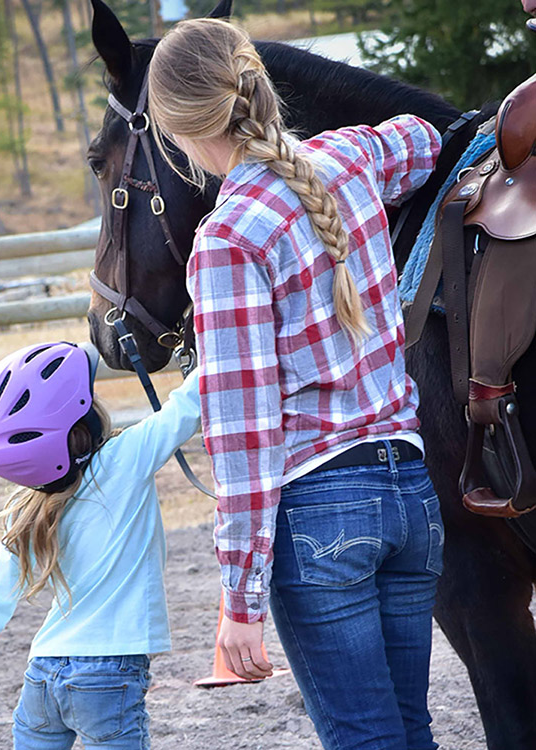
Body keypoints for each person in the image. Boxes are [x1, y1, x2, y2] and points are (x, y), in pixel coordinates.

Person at [148, 18, 444, 750]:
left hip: (323, 515)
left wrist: (238, 603)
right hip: (412, 495)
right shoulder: (345, 160)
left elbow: (246, 437)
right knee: (411, 731)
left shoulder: (227, 239)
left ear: (176, 129)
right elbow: (426, 138)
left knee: (366, 740)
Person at [0, 341, 201, 749]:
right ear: (83, 424)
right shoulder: (124, 459)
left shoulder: (30, 512)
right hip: (109, 675)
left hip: (43, 674)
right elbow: (189, 405)